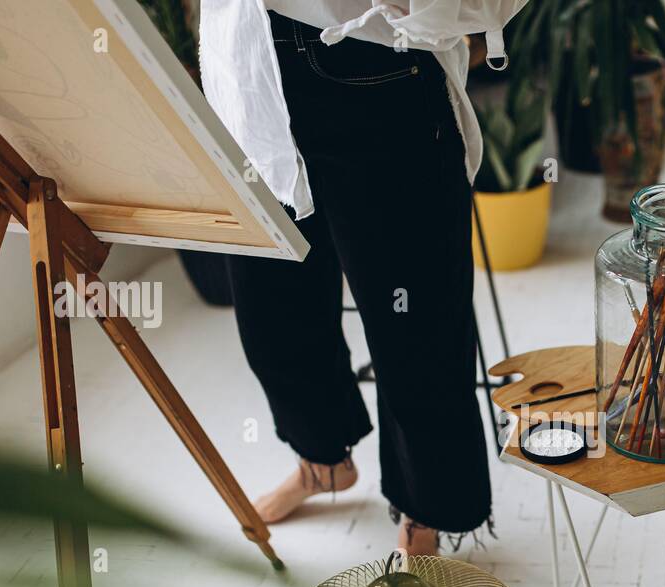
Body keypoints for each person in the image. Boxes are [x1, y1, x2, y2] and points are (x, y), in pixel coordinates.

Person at [199, 1, 528, 554]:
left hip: (375, 61)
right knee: (270, 308)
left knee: (414, 315)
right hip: (248, 63)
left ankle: (428, 509)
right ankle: (322, 460)